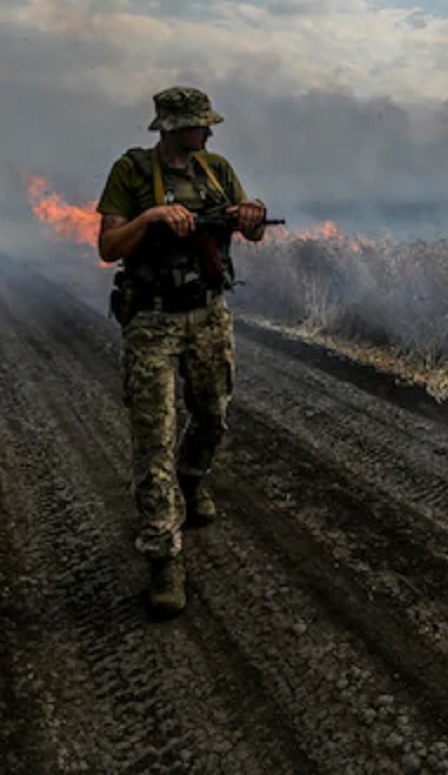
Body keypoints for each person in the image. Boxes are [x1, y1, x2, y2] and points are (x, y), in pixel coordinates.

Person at [96, 86, 268, 618]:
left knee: (213, 416)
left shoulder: (216, 169)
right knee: (155, 442)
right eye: (199, 125)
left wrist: (250, 215)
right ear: (172, 127)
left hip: (209, 315)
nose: (209, 133)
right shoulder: (131, 172)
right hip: (152, 320)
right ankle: (163, 559)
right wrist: (150, 218)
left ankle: (193, 481)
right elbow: (108, 247)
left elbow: (255, 231)